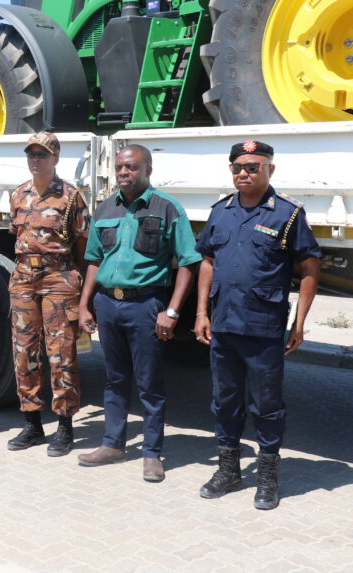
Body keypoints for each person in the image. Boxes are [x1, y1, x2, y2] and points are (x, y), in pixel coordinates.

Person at [195, 140, 320, 509]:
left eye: (253, 166)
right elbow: (207, 262)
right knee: (225, 401)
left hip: (263, 328)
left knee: (266, 405)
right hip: (223, 326)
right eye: (238, 167)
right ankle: (229, 470)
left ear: (270, 170)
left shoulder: (287, 214)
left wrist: (299, 322)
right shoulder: (221, 211)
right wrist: (201, 312)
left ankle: (267, 477)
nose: (244, 173)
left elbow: (310, 267)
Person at [77, 144, 201, 482]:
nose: (123, 173)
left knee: (149, 383)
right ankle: (113, 444)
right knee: (115, 378)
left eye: (131, 167)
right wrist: (84, 304)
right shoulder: (104, 209)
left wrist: (172, 311)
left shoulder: (167, 207)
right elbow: (93, 260)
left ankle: (151, 453)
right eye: (119, 167)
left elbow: (189, 263)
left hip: (146, 305)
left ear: (148, 169)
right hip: (107, 303)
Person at [4, 132, 90, 457]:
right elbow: (16, 233)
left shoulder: (70, 197)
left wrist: (80, 290)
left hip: (59, 275)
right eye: (31, 154)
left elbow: (82, 243)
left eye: (42, 154)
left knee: (61, 351)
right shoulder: (17, 195)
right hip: (24, 276)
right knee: (24, 351)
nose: (35, 160)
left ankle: (65, 426)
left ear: (55, 158)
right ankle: (32, 425)